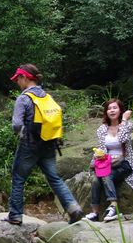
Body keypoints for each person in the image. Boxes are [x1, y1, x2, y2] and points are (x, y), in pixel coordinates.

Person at [6, 64, 84, 225]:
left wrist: (24, 137)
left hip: (29, 145)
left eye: (18, 79)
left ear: (25, 78)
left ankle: (15, 215)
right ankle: (74, 209)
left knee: (18, 178)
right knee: (54, 178)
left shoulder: (24, 98)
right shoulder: (47, 97)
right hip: (49, 144)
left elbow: (16, 124)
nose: (17, 82)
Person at [84, 98, 133, 222]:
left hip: (124, 163)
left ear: (120, 110)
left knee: (106, 175)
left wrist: (124, 120)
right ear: (106, 112)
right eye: (109, 108)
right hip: (108, 163)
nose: (112, 110)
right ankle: (95, 213)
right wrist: (97, 160)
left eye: (115, 108)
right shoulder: (102, 129)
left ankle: (113, 207)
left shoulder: (127, 125)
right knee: (95, 180)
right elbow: (102, 149)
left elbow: (122, 139)